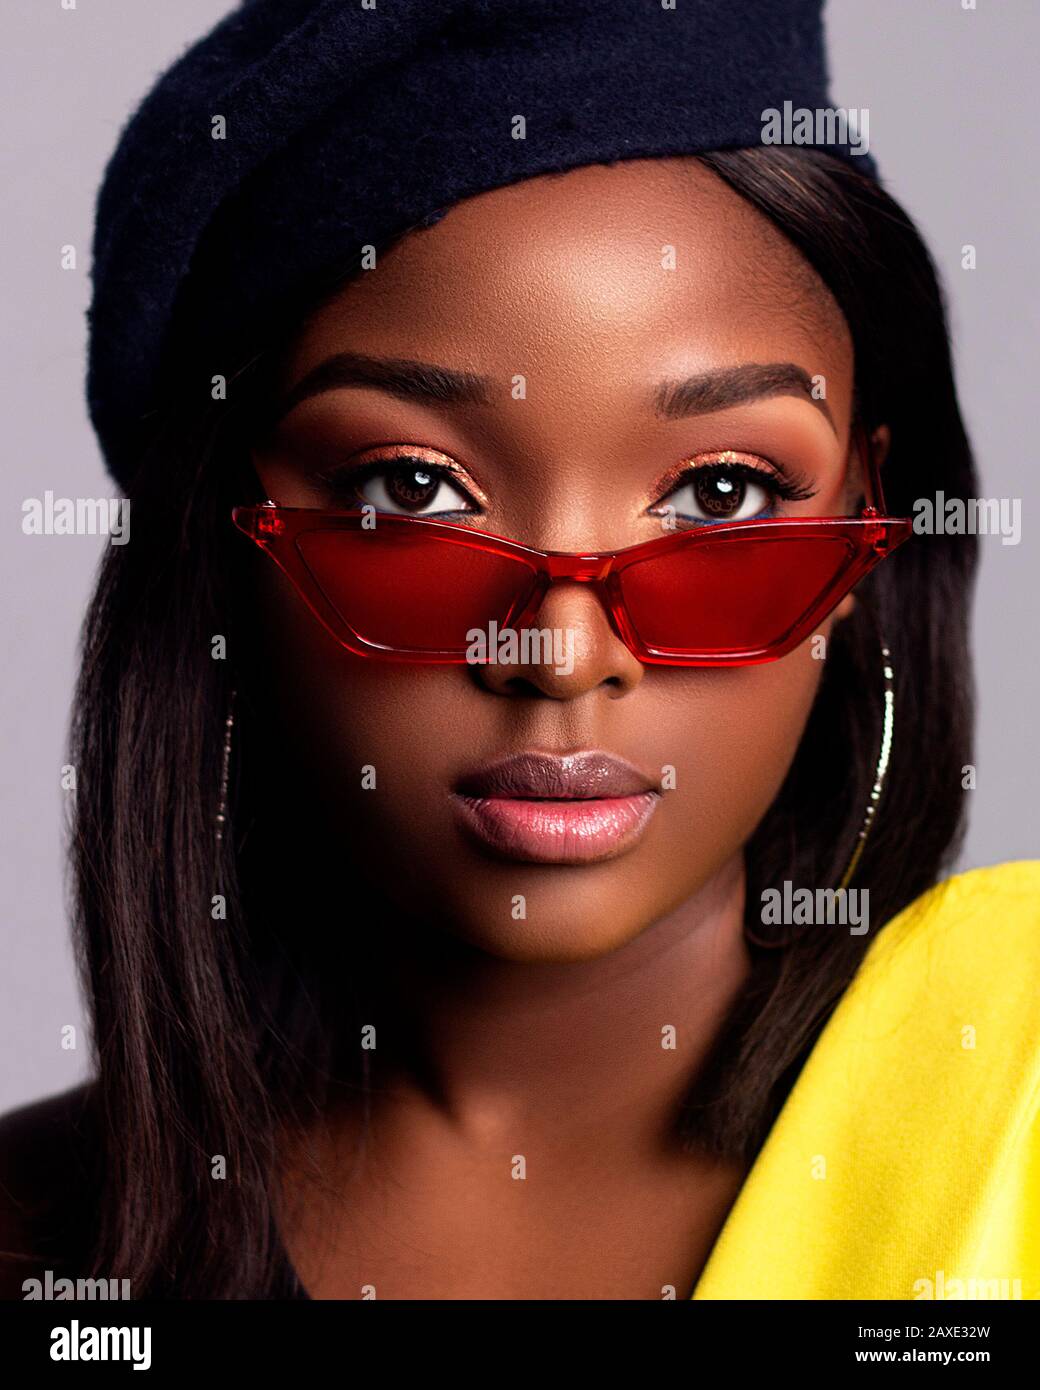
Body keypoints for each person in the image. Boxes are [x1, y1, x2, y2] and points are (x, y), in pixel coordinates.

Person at [2, 0, 1037, 1301]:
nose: (559, 651)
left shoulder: (1020, 1099)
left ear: (868, 526)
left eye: (721, 494)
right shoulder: (36, 1247)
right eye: (413, 491)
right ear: (225, 548)